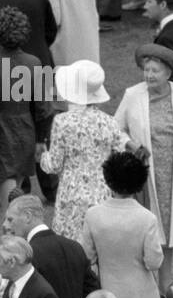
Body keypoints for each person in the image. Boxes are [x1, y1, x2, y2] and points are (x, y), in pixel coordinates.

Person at [113, 45, 173, 292]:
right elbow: (114, 129)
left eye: (155, 70)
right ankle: (147, 282)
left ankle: (165, 281)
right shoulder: (132, 95)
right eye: (146, 69)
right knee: (146, 224)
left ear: (169, 73)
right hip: (143, 173)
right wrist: (131, 144)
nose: (149, 75)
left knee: (170, 226)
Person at [80, 152, 164, 298]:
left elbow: (86, 255)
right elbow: (154, 261)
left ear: (108, 179)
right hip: (138, 293)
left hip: (106, 289)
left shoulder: (94, 214)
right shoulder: (146, 218)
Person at [39, 60, 127, 243]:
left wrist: (43, 156)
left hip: (71, 195)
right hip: (103, 194)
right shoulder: (110, 122)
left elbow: (54, 165)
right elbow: (118, 158)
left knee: (71, 250)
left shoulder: (62, 122)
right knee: (99, 248)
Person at [0, 6, 50, 208]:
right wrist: (41, 138)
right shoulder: (34, 62)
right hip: (26, 129)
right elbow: (43, 106)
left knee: (10, 202)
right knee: (15, 191)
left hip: (0, 131)